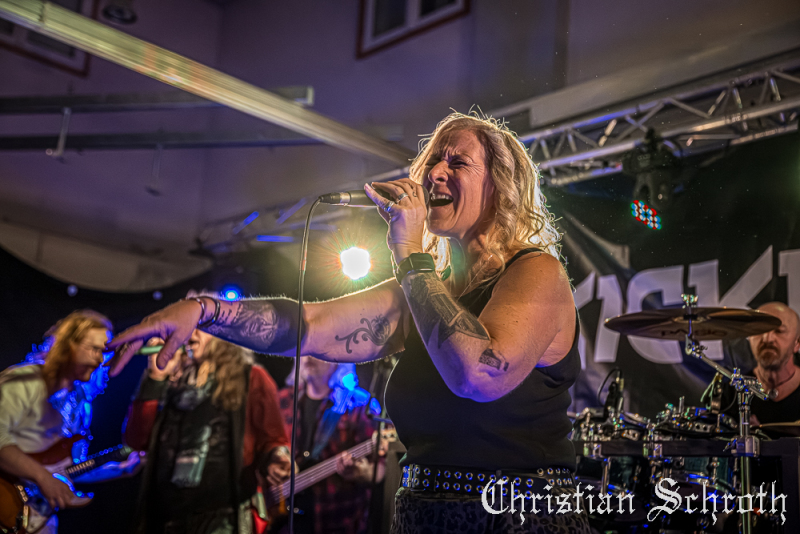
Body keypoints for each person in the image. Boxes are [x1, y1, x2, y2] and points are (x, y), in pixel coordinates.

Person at [109, 112, 591, 533]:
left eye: (457, 162)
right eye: (432, 162)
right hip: (424, 514)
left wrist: (409, 256)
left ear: (500, 185)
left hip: (517, 515)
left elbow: (479, 375)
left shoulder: (537, 271)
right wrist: (205, 311)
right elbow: (309, 325)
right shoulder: (425, 291)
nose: (434, 174)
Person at [123, 327, 292, 534]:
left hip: (222, 516)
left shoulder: (250, 377)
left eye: (201, 327)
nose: (192, 332)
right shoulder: (171, 379)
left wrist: (278, 458)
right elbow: (137, 440)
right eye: (187, 326)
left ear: (223, 333)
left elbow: (272, 438)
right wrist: (155, 378)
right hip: (167, 516)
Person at [0, 310, 141, 534]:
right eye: (94, 349)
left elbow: (67, 469)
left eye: (104, 352)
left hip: (37, 518)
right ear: (68, 345)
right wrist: (42, 477)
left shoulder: (81, 405)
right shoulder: (26, 381)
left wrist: (121, 469)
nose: (100, 359)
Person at [277, 357, 385, 534]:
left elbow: (380, 467)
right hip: (285, 522)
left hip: (338, 521)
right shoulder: (282, 399)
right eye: (304, 350)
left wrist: (361, 472)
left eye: (317, 351)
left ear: (337, 359)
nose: (307, 357)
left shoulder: (360, 403)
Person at [718, 302, 800, 426]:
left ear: (797, 343)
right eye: (760, 330)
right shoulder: (731, 394)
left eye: (779, 331)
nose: (767, 339)